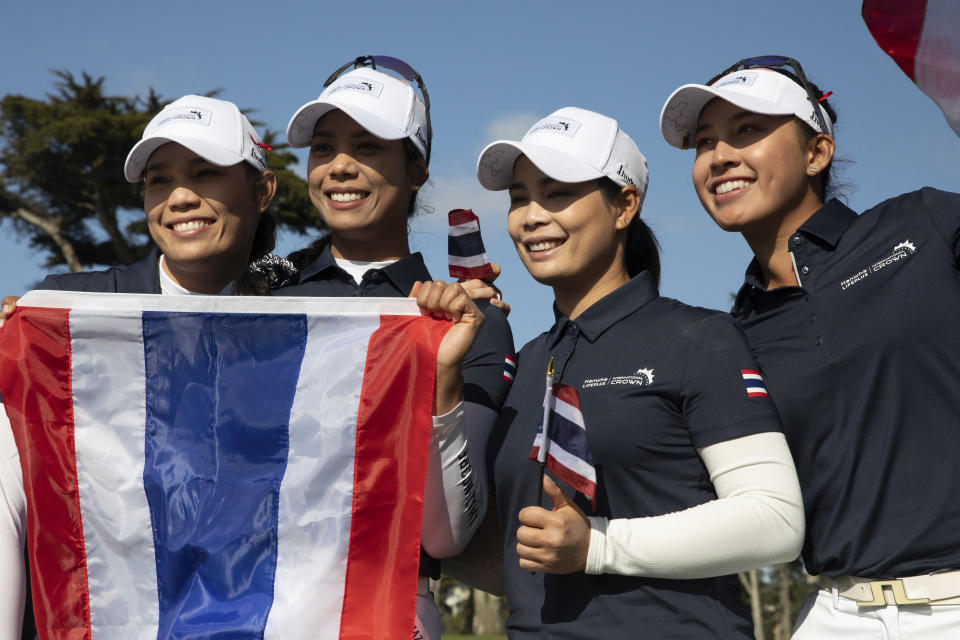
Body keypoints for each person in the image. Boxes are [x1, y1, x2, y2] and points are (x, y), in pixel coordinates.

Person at [0, 92, 483, 638]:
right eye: (159, 181)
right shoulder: (62, 315)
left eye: (206, 174)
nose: (180, 197)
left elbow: (443, 534)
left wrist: (438, 361)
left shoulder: (310, 326)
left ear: (264, 190)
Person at [467, 106, 803, 638]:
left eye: (556, 193)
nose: (530, 216)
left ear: (624, 206)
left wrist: (598, 546)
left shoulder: (697, 338)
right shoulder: (525, 362)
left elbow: (774, 520)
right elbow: (503, 558)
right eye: (518, 198)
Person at [660, 56, 960, 638]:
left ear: (816, 153)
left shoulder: (922, 224)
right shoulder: (732, 335)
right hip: (835, 612)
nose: (719, 156)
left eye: (747, 130)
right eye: (704, 142)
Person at [277, 56, 514, 640]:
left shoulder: (470, 317)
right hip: (252, 604)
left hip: (391, 612)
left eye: (368, 147)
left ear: (416, 172)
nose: (339, 168)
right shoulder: (261, 300)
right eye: (323, 148)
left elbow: (446, 534)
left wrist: (444, 374)